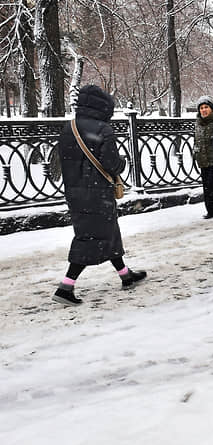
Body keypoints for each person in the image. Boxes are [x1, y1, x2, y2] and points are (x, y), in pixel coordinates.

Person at [52, 84, 146, 306]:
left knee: (108, 233)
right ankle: (66, 287)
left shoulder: (69, 128)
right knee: (89, 238)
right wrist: (123, 162)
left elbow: (59, 165)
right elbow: (112, 164)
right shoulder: (103, 130)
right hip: (98, 193)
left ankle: (125, 275)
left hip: (75, 193)